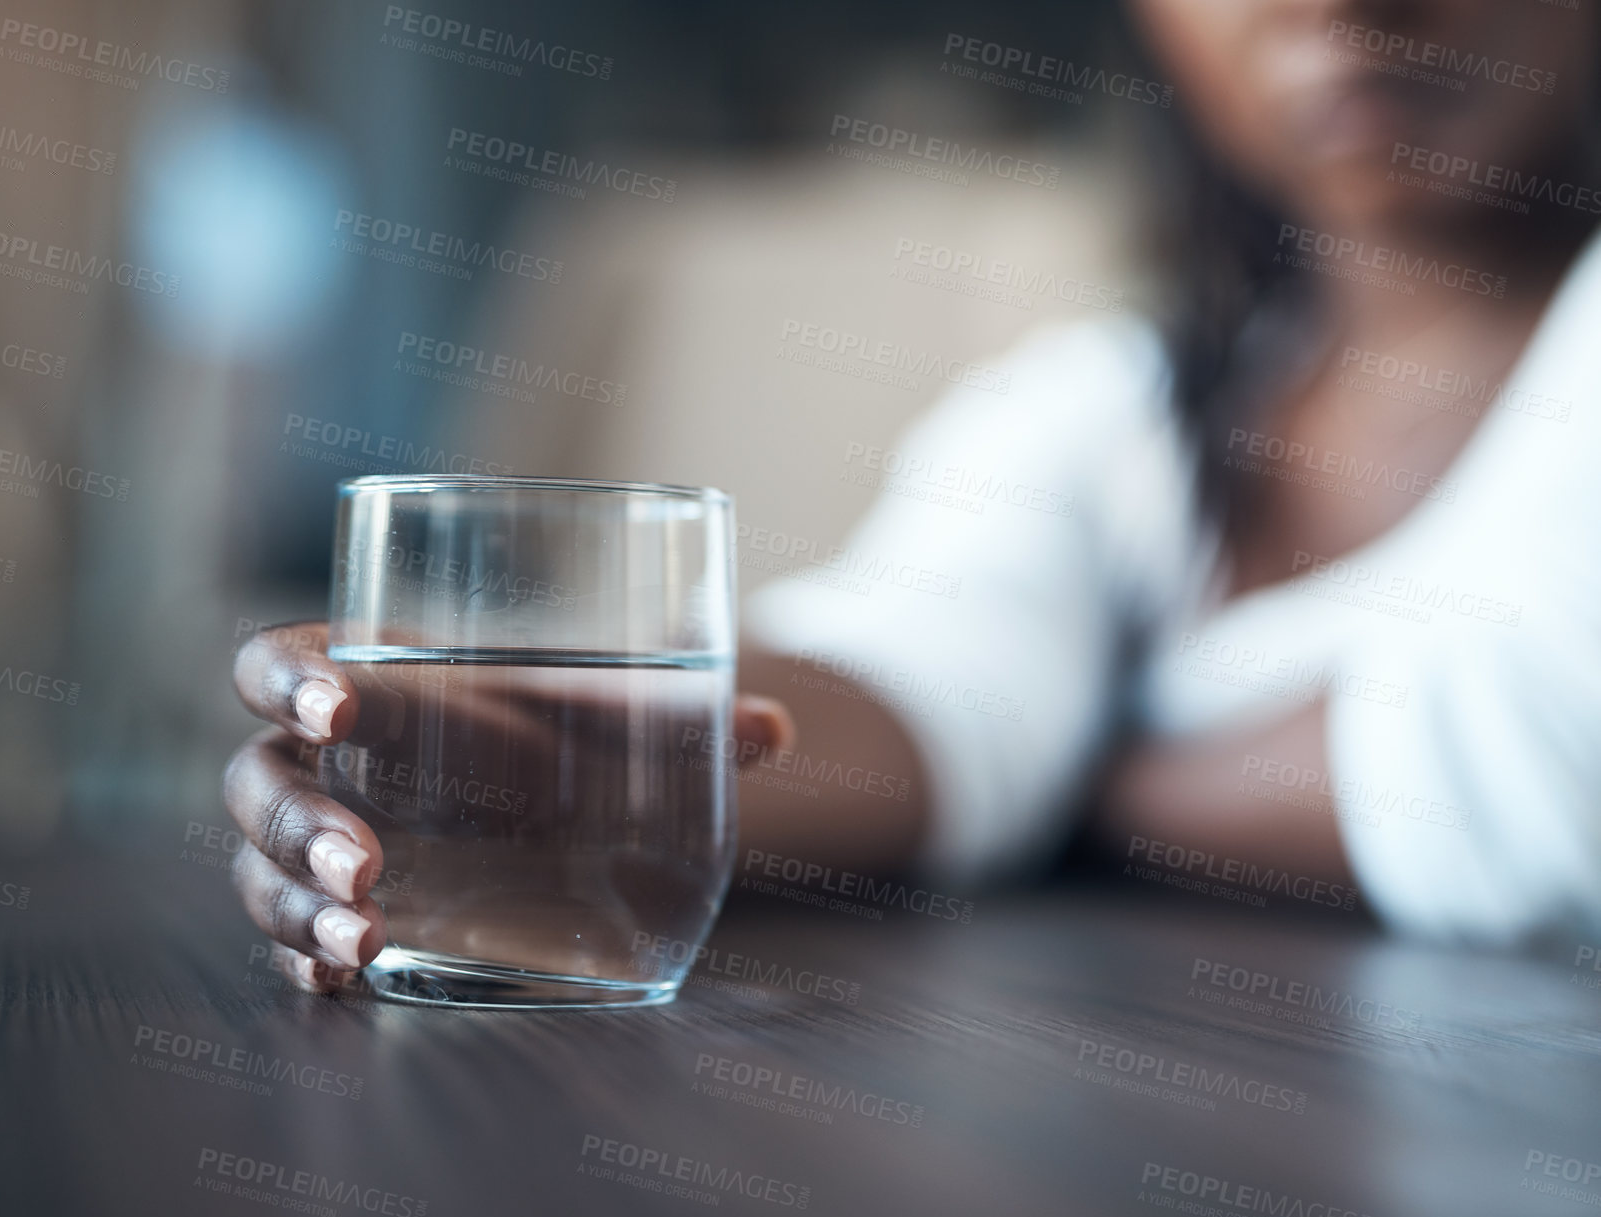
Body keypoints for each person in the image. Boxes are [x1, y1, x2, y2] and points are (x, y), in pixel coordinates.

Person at [224, 0, 1601, 989]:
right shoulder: (1113, 406)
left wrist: (1070, 779)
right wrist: (514, 743)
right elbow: (922, 679)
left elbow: (1557, 760)